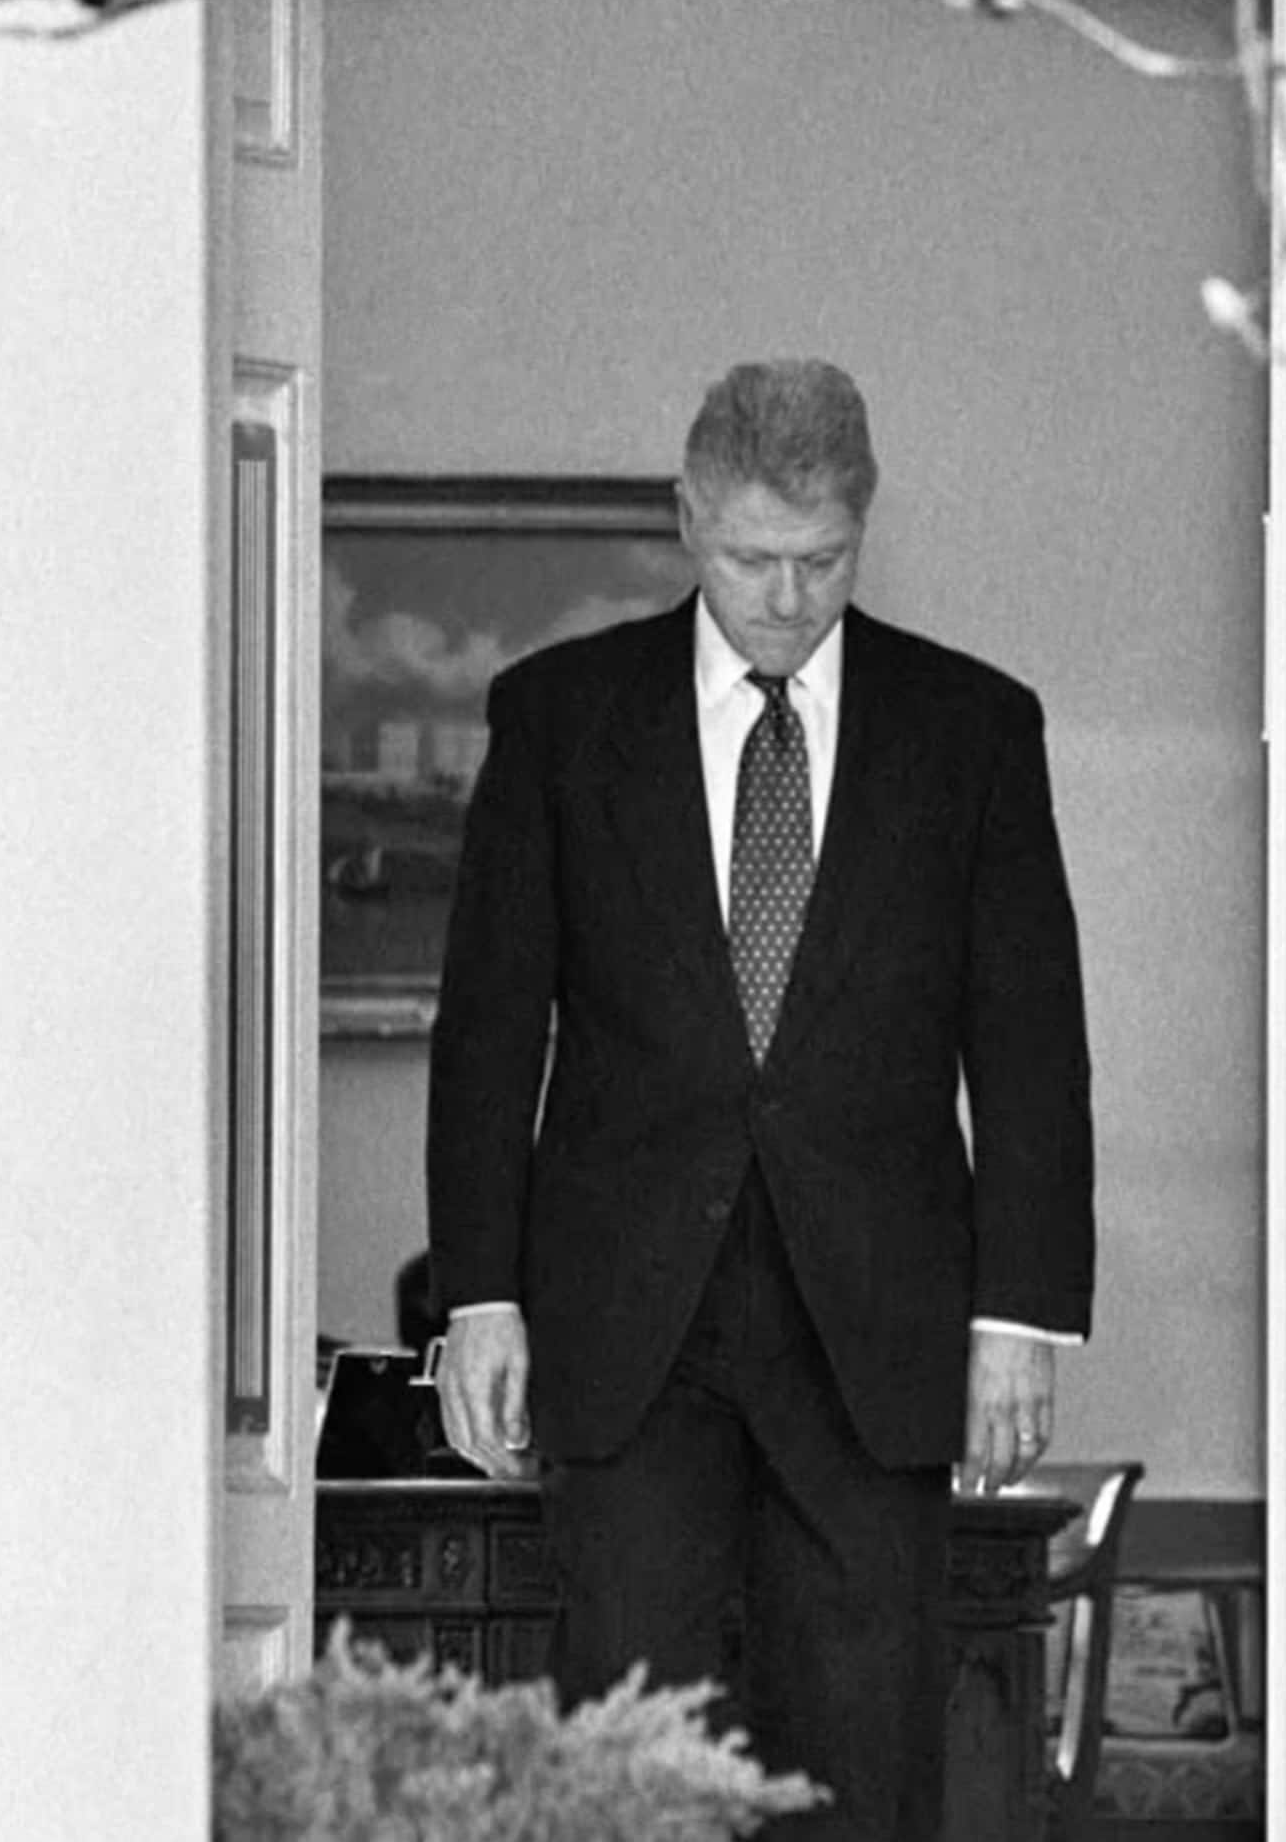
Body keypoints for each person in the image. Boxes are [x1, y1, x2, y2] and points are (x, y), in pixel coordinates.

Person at [423, 358, 1095, 1839]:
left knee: (865, 1769)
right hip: (626, 1322)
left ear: (865, 526)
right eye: (750, 560)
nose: (786, 598)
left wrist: (1019, 1320)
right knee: (626, 1763)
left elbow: (1031, 1039)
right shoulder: (559, 719)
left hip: (877, 1325)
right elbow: (487, 1033)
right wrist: (479, 1295)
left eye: (822, 561)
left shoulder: (972, 730)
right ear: (685, 522)